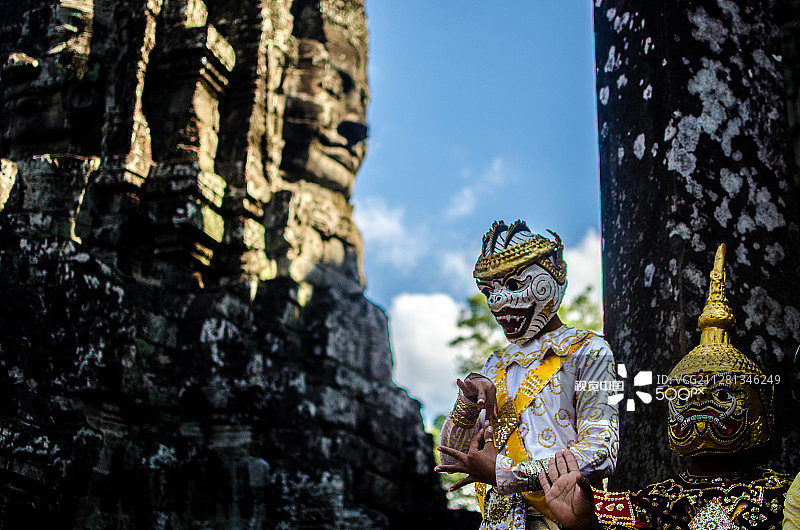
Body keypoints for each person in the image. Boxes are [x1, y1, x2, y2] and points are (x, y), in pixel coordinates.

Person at [537, 244, 792, 529]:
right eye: (683, 396)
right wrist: (585, 524)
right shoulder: (649, 504)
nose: (697, 403)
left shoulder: (786, 495)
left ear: (760, 404)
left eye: (721, 394)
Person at [436, 220, 619, 529]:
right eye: (489, 291)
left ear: (551, 276)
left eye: (513, 285)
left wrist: (504, 473)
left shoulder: (590, 351)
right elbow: (452, 458)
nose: (497, 302)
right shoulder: (495, 365)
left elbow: (602, 450)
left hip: (558, 517)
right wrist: (468, 402)